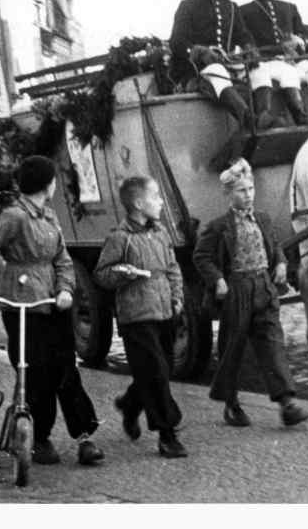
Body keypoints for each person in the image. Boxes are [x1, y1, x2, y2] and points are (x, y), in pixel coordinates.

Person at [0, 155, 103, 466]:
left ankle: (84, 437)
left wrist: (66, 289)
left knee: (66, 367)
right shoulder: (13, 217)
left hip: (53, 303)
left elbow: (63, 259)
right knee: (34, 371)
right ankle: (37, 437)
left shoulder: (50, 217)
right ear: (48, 184)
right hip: (22, 304)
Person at [193, 158, 308, 428]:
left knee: (272, 343)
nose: (248, 195)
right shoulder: (219, 226)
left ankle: (287, 404)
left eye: (251, 189)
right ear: (228, 194)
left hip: (264, 288)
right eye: (241, 191)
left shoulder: (264, 219)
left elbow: (275, 244)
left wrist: (280, 262)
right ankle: (231, 403)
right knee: (234, 349)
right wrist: (218, 279)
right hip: (237, 292)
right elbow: (201, 256)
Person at [93, 177, 187, 459]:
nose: (160, 201)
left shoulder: (160, 233)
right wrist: (123, 273)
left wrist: (177, 296)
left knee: (161, 369)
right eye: (155, 196)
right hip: (136, 317)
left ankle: (131, 404)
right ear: (138, 204)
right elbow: (102, 274)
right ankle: (167, 434)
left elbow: (172, 268)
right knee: (156, 372)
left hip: (163, 312)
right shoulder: (119, 238)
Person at [169, 0, 257, 128]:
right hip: (196, 70)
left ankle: (265, 118)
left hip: (225, 65)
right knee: (217, 72)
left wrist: (250, 48)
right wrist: (199, 52)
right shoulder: (188, 6)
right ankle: (250, 122)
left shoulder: (231, 7)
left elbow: (243, 35)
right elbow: (176, 42)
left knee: (258, 73)